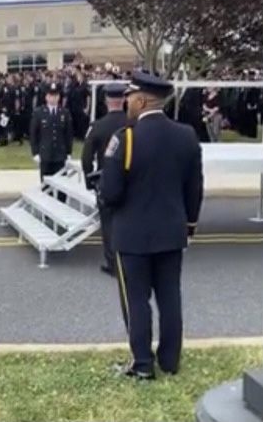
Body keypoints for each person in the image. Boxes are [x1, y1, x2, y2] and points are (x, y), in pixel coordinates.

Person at [99, 71, 204, 380]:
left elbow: (112, 191)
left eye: (130, 96)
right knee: (170, 297)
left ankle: (142, 363)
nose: (126, 101)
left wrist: (103, 193)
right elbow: (194, 187)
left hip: (132, 234)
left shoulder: (125, 138)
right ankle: (170, 360)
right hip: (172, 231)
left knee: (136, 301)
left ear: (142, 100)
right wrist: (190, 225)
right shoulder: (186, 135)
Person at [80, 83, 130, 277]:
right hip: (131, 180)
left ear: (107, 101)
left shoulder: (98, 126)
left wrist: (89, 180)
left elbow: (86, 158)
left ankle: (113, 264)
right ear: (124, 99)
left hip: (107, 180)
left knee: (109, 224)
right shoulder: (134, 123)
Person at [30, 83, 74, 200]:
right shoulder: (39, 112)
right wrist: (35, 153)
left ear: (59, 97)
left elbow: (68, 134)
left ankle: (61, 211)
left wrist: (69, 152)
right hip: (45, 154)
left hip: (60, 154)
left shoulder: (64, 112)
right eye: (50, 95)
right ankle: (47, 215)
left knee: (62, 186)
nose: (53, 98)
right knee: (46, 185)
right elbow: (34, 134)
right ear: (46, 97)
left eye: (55, 96)